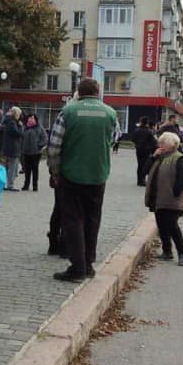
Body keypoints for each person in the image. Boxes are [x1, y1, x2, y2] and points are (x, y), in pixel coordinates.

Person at [48, 77, 117, 281]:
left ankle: (77, 268)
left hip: (71, 175)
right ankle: (88, 264)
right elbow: (113, 139)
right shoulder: (110, 113)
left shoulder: (68, 111)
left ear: (79, 91)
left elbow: (54, 146)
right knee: (92, 220)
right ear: (98, 92)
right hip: (98, 175)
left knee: (73, 220)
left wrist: (55, 172)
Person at [144, 132, 183, 265]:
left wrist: (175, 193)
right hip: (158, 198)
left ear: (172, 144)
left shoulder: (179, 158)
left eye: (163, 142)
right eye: (160, 142)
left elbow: (182, 179)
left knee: (172, 225)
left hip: (171, 199)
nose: (160, 145)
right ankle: (167, 251)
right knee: (161, 225)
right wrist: (153, 157)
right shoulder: (159, 157)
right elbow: (145, 170)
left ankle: (182, 252)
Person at [21, 113, 47, 191]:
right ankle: (26, 185)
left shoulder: (39, 127)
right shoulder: (25, 127)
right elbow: (21, 138)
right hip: (26, 152)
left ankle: (35, 186)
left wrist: (40, 145)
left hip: (36, 153)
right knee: (27, 169)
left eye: (32, 118)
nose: (30, 119)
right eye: (29, 118)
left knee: (35, 169)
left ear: (35, 120)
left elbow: (45, 138)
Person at [1, 107, 24, 191]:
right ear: (16, 114)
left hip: (7, 146)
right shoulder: (12, 122)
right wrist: (20, 126)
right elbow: (18, 133)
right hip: (13, 147)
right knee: (12, 167)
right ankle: (10, 185)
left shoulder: (7, 120)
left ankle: (5, 184)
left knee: (7, 166)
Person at [132, 116, 157, 186]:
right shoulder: (149, 131)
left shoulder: (136, 130)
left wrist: (137, 143)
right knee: (145, 165)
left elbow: (133, 139)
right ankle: (142, 180)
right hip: (147, 150)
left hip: (138, 150)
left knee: (139, 164)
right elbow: (154, 142)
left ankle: (139, 180)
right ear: (147, 123)